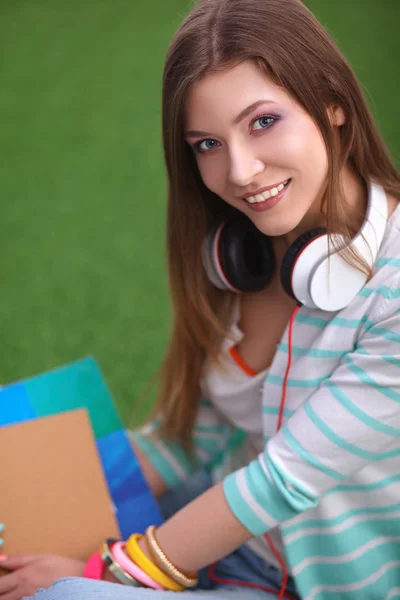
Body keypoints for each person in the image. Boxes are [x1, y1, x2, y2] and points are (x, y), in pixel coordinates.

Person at [1, 0, 400, 598]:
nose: (240, 170)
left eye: (263, 121)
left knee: (59, 594)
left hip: (305, 583)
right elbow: (197, 435)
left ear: (332, 101)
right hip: (231, 535)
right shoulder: (244, 256)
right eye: (208, 143)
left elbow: (280, 483)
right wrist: (41, 488)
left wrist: (99, 573)